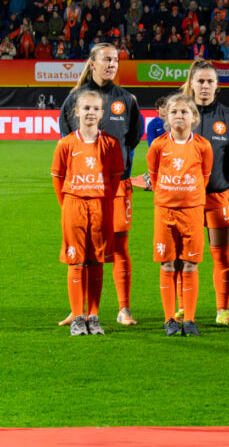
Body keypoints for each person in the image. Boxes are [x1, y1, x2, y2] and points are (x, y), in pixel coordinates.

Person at [57, 42, 143, 328]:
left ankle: (123, 309)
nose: (112, 65)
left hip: (116, 187)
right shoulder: (74, 99)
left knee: (119, 247)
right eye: (106, 60)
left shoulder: (126, 99)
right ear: (92, 63)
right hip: (83, 191)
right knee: (82, 251)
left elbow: (131, 139)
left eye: (115, 60)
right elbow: (68, 140)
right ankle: (78, 311)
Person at [51, 89, 123, 336]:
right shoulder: (66, 143)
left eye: (95, 108)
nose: (90, 112)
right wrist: (69, 204)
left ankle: (93, 316)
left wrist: (102, 200)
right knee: (76, 260)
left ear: (102, 113)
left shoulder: (111, 144)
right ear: (76, 112)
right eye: (86, 108)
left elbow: (115, 180)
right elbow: (58, 178)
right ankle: (77, 316)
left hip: (101, 207)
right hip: (74, 206)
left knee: (96, 260)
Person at [182, 60, 229, 326]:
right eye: (200, 81)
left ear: (217, 86)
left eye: (210, 82)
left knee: (221, 254)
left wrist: (221, 178)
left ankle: (223, 310)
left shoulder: (227, 118)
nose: (205, 86)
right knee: (185, 256)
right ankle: (184, 308)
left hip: (218, 195)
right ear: (192, 83)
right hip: (185, 198)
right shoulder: (181, 113)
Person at [147, 93, 213, 336]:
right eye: (174, 112)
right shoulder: (158, 145)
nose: (179, 116)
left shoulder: (203, 146)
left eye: (184, 112)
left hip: (192, 212)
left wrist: (188, 196)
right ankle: (169, 319)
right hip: (165, 212)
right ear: (166, 116)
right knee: (167, 264)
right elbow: (154, 176)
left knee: (190, 264)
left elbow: (204, 177)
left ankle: (190, 319)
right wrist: (169, 195)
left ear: (194, 117)